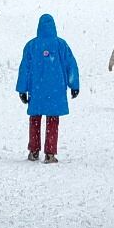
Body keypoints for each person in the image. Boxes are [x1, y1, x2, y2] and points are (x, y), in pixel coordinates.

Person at [16, 14, 80, 164]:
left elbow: (24, 69)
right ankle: (50, 154)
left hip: (36, 90)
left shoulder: (31, 46)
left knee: (35, 119)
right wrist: (74, 85)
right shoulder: (61, 45)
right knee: (52, 121)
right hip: (55, 90)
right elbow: (71, 65)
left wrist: (22, 89)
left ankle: (33, 151)